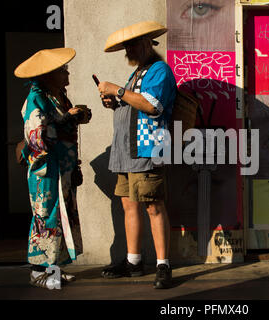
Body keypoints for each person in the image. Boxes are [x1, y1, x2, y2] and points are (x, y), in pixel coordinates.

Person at [98, 21, 177, 289]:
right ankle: (134, 261)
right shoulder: (138, 73)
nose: (128, 50)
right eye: (126, 46)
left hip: (146, 149)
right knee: (128, 204)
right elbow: (133, 104)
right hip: (126, 150)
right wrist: (115, 103)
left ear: (147, 43)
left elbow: (152, 106)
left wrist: (118, 91)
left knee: (153, 205)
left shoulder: (159, 70)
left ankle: (163, 265)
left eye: (131, 45)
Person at [14, 48, 91, 289]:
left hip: (63, 167)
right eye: (62, 70)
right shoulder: (37, 96)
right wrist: (67, 118)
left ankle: (54, 268)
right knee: (45, 215)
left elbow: (62, 124)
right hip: (46, 169)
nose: (66, 74)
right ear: (48, 74)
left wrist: (74, 117)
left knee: (61, 216)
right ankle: (38, 272)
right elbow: (37, 133)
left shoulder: (59, 97)